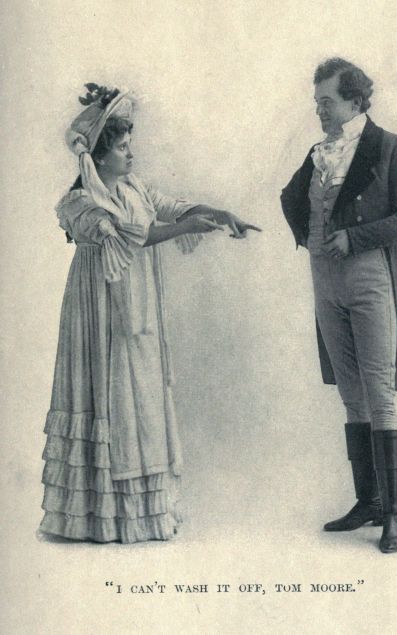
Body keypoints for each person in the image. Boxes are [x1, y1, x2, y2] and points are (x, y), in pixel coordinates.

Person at [40, 84, 260, 544]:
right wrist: (184, 228)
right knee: (110, 391)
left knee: (139, 394)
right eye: (122, 147)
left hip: (136, 306)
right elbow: (132, 237)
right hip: (100, 308)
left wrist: (219, 213)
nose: (131, 154)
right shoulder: (82, 203)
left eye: (129, 145)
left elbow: (171, 208)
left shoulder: (133, 186)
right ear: (99, 157)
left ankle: (141, 511)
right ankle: (102, 516)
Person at [280, 58, 397, 553]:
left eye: (327, 101)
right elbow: (290, 197)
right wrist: (308, 235)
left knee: (380, 392)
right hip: (325, 281)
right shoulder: (319, 152)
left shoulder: (392, 148)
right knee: (350, 392)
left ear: (355, 101)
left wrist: (355, 237)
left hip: (368, 278)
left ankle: (395, 516)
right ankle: (369, 502)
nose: (319, 110)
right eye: (317, 101)